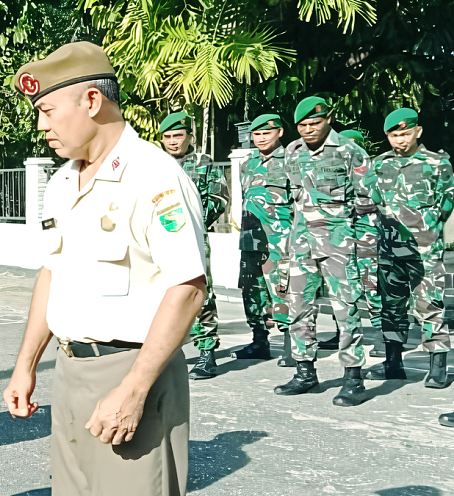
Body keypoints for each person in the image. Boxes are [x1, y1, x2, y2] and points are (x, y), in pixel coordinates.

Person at [3, 41, 206, 496]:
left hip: (131, 374)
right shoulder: (63, 183)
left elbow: (188, 287)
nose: (42, 127)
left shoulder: (153, 175)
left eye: (48, 112)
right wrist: (26, 364)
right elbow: (52, 272)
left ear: (91, 101)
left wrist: (135, 388)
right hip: (71, 372)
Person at [276, 96, 376, 406]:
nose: (308, 129)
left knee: (346, 309)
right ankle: (305, 373)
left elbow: (367, 204)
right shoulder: (292, 152)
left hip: (339, 244)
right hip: (301, 243)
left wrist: (363, 249)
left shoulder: (349, 152)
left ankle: (353, 379)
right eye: (302, 125)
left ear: (329, 119)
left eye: (314, 123)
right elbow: (293, 198)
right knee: (298, 307)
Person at [363, 108, 454, 393]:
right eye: (394, 135)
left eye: (405, 133)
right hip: (389, 249)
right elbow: (371, 200)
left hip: (424, 251)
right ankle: (393, 363)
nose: (400, 140)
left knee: (430, 306)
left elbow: (446, 203)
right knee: (391, 308)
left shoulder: (437, 163)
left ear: (418, 131)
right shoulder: (379, 165)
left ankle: (438, 368)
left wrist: (426, 228)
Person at [158, 111, 226, 379]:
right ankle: (166, 352)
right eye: (167, 137)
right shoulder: (154, 164)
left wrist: (193, 223)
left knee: (200, 293)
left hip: (194, 237)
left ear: (189, 137)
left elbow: (219, 198)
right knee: (161, 294)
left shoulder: (204, 163)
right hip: (160, 239)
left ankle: (207, 352)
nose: (173, 141)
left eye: (178, 135)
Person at [235, 114, 292, 362]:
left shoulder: (291, 161)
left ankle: (291, 346)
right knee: (252, 290)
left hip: (280, 240)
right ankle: (259, 341)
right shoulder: (247, 164)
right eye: (256, 134)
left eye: (266, 133)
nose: (260, 138)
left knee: (283, 290)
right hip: (250, 237)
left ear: (279, 132)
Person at [338, 129, 384, 359]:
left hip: (366, 235)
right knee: (345, 286)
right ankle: (343, 333)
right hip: (343, 236)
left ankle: (382, 336)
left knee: (371, 285)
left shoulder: (368, 172)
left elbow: (373, 200)